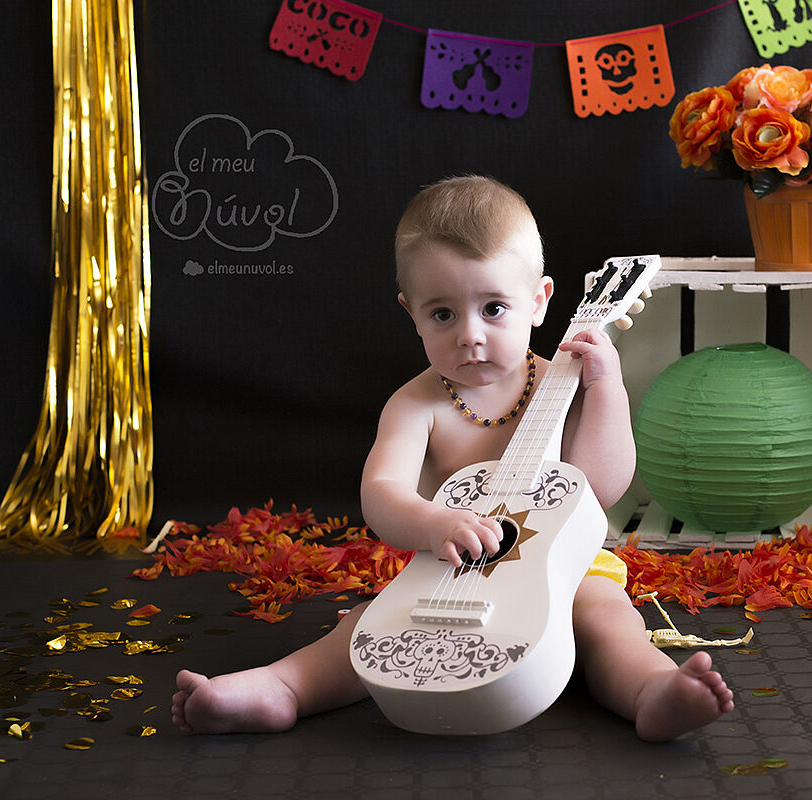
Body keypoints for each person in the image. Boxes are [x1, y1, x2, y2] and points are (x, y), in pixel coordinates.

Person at [171, 175, 734, 741]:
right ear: (409, 311)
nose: (470, 335)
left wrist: (606, 386)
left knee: (608, 620)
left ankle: (652, 692)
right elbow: (381, 493)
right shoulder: (417, 405)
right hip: (451, 567)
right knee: (370, 630)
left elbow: (599, 487)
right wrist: (434, 521)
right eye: (442, 314)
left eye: (493, 308)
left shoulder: (562, 385)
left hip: (570, 564)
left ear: (539, 302)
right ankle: (282, 687)